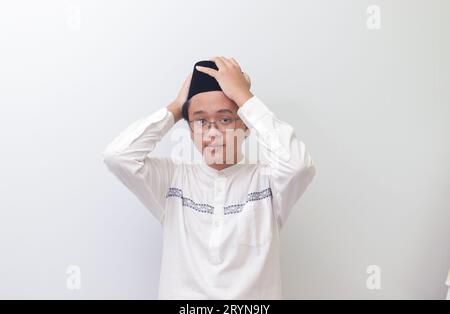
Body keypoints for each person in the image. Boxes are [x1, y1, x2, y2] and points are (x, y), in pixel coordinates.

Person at [102, 56, 316, 299]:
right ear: (190, 128)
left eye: (225, 119)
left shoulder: (268, 182)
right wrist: (176, 107)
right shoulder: (173, 179)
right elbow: (117, 156)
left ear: (246, 125)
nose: (212, 132)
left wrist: (245, 98)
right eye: (201, 121)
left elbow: (298, 166)